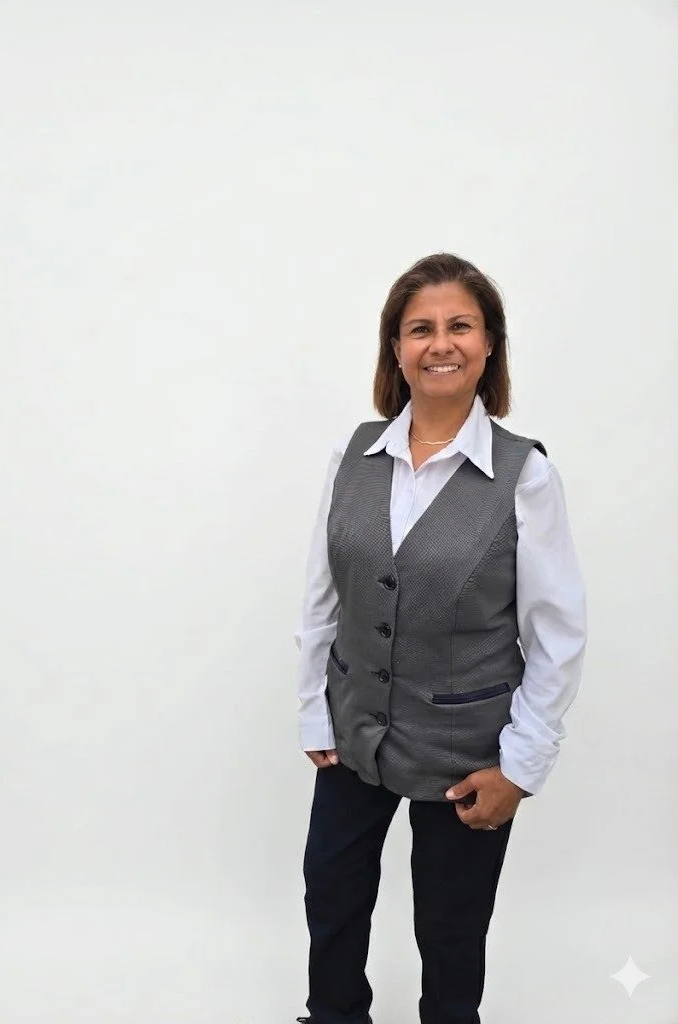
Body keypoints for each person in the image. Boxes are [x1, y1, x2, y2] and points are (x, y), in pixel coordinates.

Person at [292, 252, 587, 1024]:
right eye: (419, 328)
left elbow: (556, 635)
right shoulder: (350, 457)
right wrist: (313, 712)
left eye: (460, 325)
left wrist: (519, 768)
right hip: (354, 731)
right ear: (395, 348)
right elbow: (324, 596)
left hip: (468, 750)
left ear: (489, 345)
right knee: (331, 894)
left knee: (452, 930)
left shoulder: (525, 477)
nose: (440, 343)